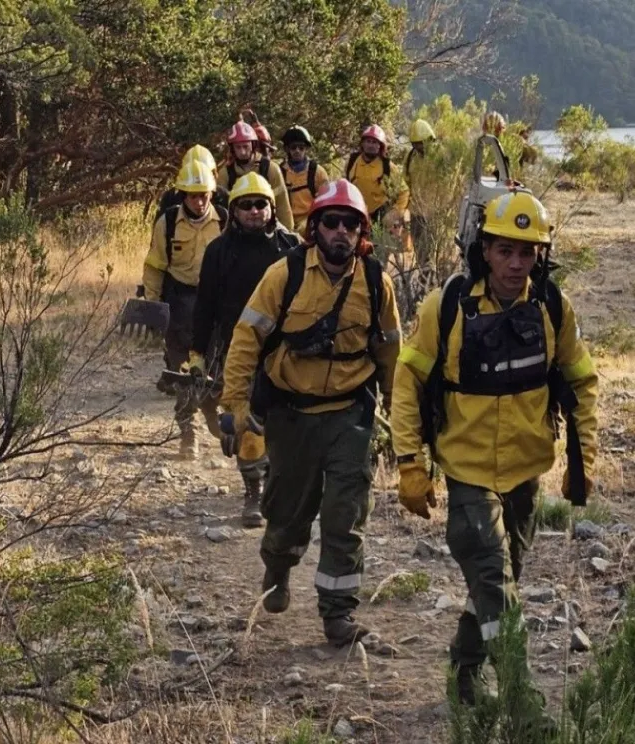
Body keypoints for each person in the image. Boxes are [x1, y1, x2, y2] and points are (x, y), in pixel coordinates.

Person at [389, 189, 598, 704]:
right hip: (468, 473)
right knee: (497, 588)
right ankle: (523, 704)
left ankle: (462, 675)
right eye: (505, 250)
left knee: (498, 586)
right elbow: (407, 383)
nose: (516, 263)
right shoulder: (448, 307)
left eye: (527, 252)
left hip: (527, 472)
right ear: (485, 249)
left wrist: (582, 458)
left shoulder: (553, 307)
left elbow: (581, 382)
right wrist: (410, 464)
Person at [220, 179, 401, 647]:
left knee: (346, 514)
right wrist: (235, 406)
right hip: (292, 415)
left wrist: (402, 425)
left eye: (350, 224)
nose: (340, 231)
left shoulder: (377, 283)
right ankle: (278, 569)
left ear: (361, 231)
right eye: (331, 222)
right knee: (287, 513)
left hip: (348, 416)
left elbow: (390, 354)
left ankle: (338, 615)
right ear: (314, 226)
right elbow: (246, 340)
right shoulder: (286, 275)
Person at [180, 173, 301, 525]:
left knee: (285, 424)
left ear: (271, 208)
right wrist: (198, 354)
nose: (253, 211)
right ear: (233, 211)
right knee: (246, 420)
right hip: (240, 351)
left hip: (286, 352)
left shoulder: (291, 247)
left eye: (260, 204)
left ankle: (281, 484)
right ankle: (254, 493)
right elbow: (204, 307)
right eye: (245, 205)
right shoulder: (219, 251)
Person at [142, 158, 222, 393]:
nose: (199, 202)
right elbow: (155, 266)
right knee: (178, 347)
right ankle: (179, 378)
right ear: (183, 195)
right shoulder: (167, 223)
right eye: (193, 196)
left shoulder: (225, 221)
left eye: (204, 196)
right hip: (180, 293)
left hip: (213, 296)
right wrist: (153, 305)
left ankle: (207, 378)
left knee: (214, 351)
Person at [217, 120, 295, 231]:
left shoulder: (271, 169)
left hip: (268, 229)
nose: (242, 152)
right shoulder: (225, 174)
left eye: (245, 146)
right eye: (238, 147)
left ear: (253, 145)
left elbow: (283, 207)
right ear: (232, 149)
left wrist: (288, 235)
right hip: (237, 233)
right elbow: (221, 212)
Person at [345, 124, 409, 226]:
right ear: (363, 144)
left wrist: (395, 213)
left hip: (379, 216)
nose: (371, 145)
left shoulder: (388, 167)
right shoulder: (351, 161)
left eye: (374, 142)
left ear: (380, 146)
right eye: (368, 141)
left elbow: (404, 191)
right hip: (356, 212)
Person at [279, 125, 330, 233]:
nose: (297, 151)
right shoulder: (280, 172)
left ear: (306, 149)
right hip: (286, 220)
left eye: (301, 147)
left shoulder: (317, 171)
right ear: (287, 149)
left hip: (310, 219)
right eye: (293, 147)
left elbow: (326, 201)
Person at [403, 118, 436, 251]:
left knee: (434, 247)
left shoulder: (441, 155)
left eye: (421, 143)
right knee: (419, 247)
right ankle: (423, 270)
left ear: (429, 139)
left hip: (435, 212)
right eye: (415, 144)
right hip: (416, 211)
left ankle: (435, 270)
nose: (418, 147)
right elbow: (405, 182)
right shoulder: (410, 156)